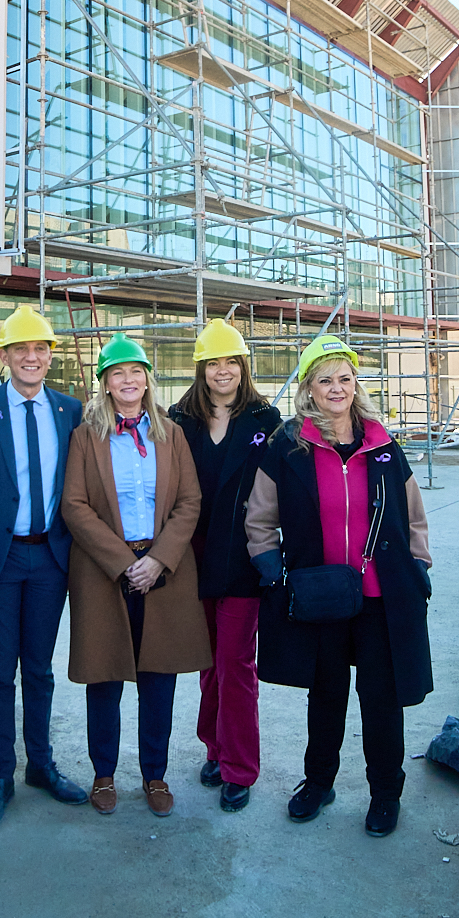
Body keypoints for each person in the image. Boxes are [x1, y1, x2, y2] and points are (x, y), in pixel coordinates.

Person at [245, 333, 433, 838]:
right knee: (325, 695)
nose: (336, 388)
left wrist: (419, 565)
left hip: (380, 597)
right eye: (324, 379)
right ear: (308, 387)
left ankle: (385, 792)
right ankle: (318, 782)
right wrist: (269, 566)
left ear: (356, 384)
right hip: (319, 594)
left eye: (344, 378)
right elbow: (260, 517)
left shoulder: (383, 446)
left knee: (381, 699)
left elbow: (414, 516)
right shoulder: (289, 446)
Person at [61, 334, 208, 816]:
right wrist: (124, 563)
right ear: (104, 384)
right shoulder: (86, 437)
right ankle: (104, 773)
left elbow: (189, 502)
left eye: (136, 371)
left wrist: (158, 560)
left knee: (158, 677)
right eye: (117, 373)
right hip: (106, 572)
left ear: (148, 379)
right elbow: (75, 507)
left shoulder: (171, 434)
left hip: (162, 571)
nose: (128, 380)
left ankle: (155, 774)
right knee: (105, 675)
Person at [0, 303, 88, 829]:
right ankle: (2, 776)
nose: (31, 357)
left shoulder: (70, 412)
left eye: (40, 348)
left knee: (40, 668)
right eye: (21, 349)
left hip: (51, 558)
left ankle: (42, 765)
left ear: (50, 355)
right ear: (5, 355)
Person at [167, 318, 281, 812]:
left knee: (235, 664)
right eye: (213, 362)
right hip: (191, 558)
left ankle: (239, 767)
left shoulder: (265, 419)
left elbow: (285, 487)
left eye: (231, 361)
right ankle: (215, 748)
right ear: (201, 368)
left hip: (241, 558)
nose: (223, 371)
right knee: (208, 662)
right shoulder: (180, 420)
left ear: (243, 367)